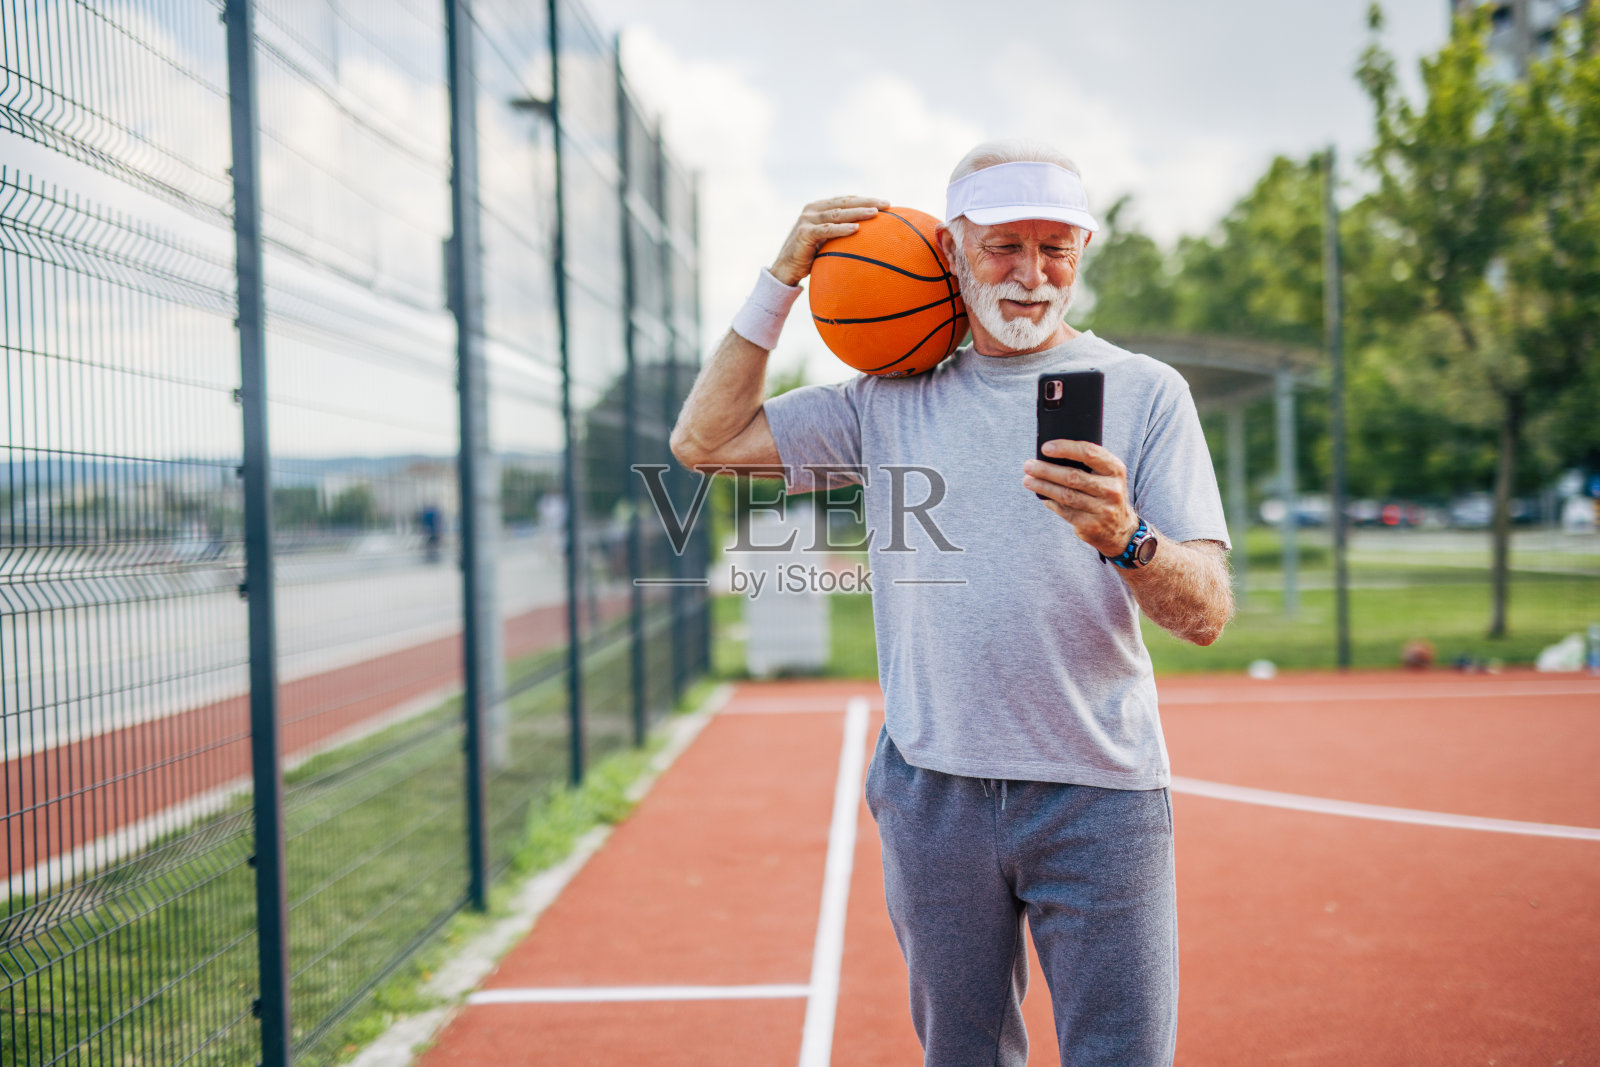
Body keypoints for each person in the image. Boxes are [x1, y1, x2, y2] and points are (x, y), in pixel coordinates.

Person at [670, 139, 1234, 1067]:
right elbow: (706, 438)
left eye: (1057, 248)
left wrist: (1126, 537)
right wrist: (780, 280)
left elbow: (1207, 611)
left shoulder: (1145, 393)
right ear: (950, 249)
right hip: (933, 788)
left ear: (1083, 254)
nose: (1031, 274)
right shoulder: (888, 397)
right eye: (1003, 245)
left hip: (1099, 792)